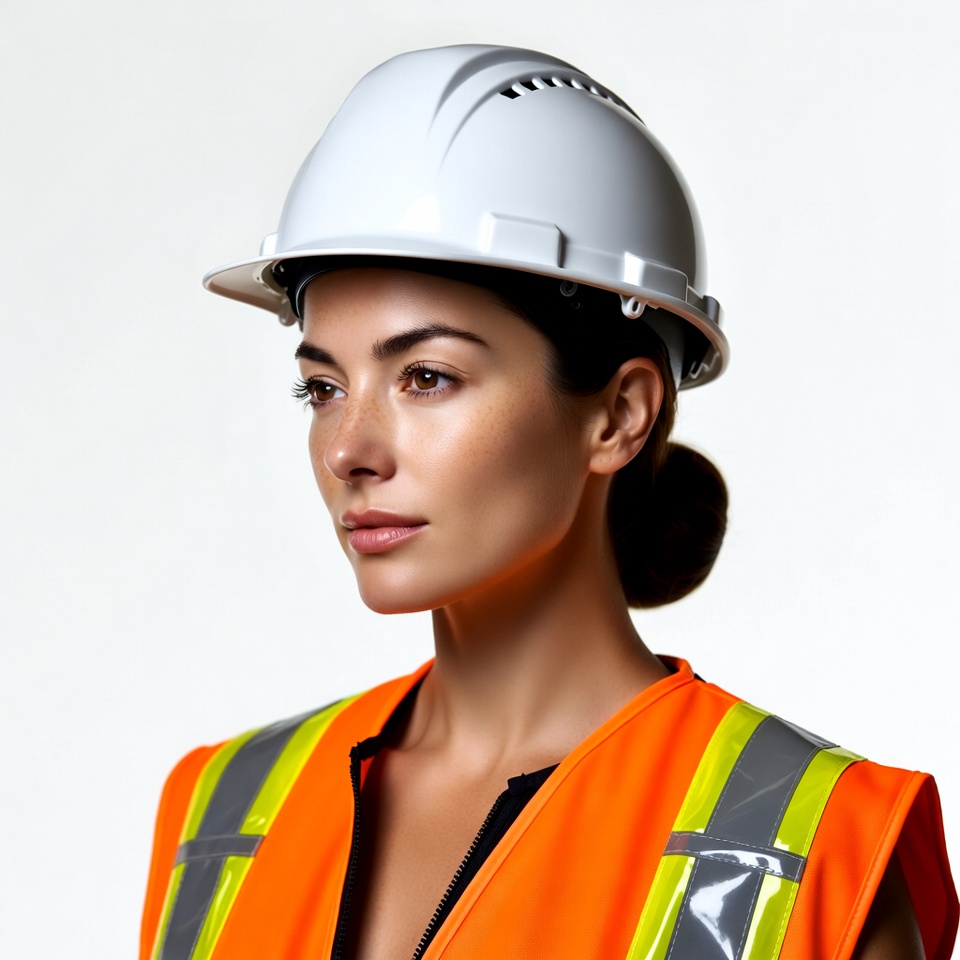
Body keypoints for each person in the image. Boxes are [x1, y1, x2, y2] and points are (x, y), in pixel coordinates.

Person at [140, 44, 958, 960]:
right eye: (322, 387)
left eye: (426, 376)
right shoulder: (219, 818)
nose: (347, 451)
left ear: (618, 414)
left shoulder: (821, 846)